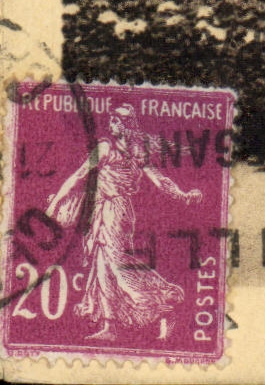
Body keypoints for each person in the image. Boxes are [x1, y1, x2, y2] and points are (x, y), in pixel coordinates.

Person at [45, 105, 201, 341]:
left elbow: (79, 177)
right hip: (104, 210)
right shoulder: (130, 152)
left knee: (118, 264)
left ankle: (165, 307)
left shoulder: (112, 149)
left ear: (124, 126)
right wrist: (182, 195)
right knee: (102, 265)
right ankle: (110, 326)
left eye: (116, 122)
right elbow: (160, 181)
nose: (111, 125)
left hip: (114, 212)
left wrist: (54, 203)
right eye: (112, 121)